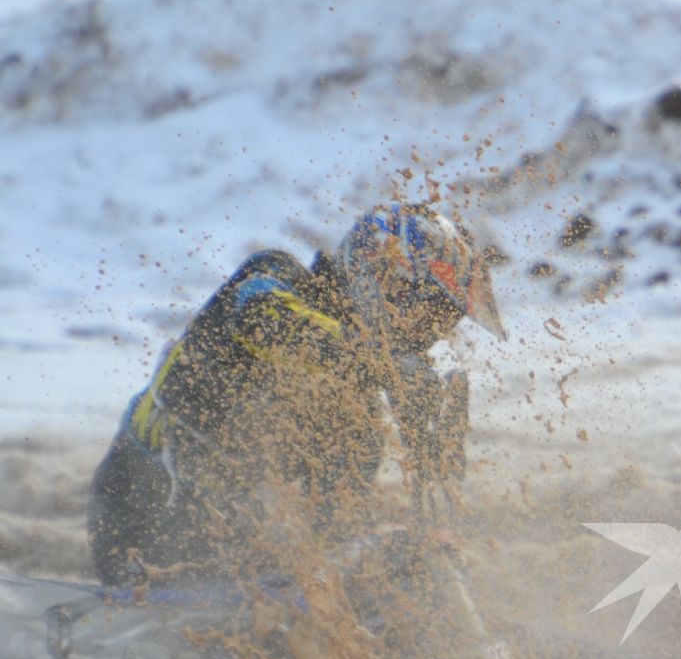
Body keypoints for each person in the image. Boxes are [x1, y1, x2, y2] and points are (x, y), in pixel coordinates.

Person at [87, 206, 505, 586]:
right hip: (138, 514)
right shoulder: (275, 275)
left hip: (224, 539)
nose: (427, 335)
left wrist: (431, 501)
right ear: (378, 278)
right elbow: (261, 316)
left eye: (440, 323)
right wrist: (379, 362)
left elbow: (325, 542)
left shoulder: (360, 419)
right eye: (426, 313)